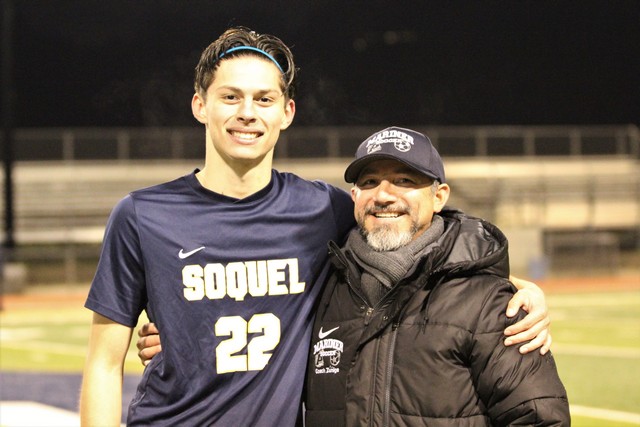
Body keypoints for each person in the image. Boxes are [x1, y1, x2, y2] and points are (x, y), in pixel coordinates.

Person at [81, 27, 550, 426]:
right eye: (230, 97)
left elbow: (421, 244)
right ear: (200, 105)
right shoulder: (141, 215)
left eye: (264, 99)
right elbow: (103, 362)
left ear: (286, 113)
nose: (248, 112)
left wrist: (513, 287)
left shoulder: (325, 208)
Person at [304, 126, 570, 426]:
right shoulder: (322, 287)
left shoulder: (489, 301)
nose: (383, 195)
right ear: (354, 196)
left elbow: (539, 418)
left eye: (404, 181)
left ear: (439, 197)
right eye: (369, 182)